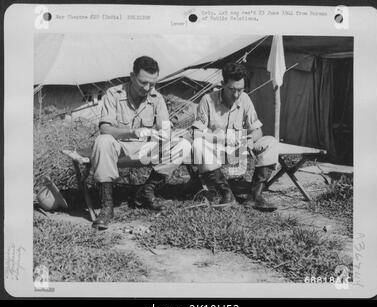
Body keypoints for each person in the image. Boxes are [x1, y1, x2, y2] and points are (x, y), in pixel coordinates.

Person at [91, 56, 191, 230]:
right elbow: (105, 129)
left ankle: (146, 191)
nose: (147, 88)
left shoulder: (156, 98)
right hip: (119, 149)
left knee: (183, 144)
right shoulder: (114, 94)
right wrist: (132, 132)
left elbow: (165, 128)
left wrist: (168, 133)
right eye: (143, 82)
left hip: (144, 149)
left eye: (152, 84)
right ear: (132, 76)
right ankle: (107, 205)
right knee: (102, 141)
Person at [191, 62, 278, 211]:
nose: (236, 95)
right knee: (199, 145)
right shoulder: (208, 100)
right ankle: (227, 195)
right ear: (222, 84)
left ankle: (255, 197)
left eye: (240, 89)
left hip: (238, 147)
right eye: (232, 90)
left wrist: (250, 139)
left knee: (271, 142)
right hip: (215, 150)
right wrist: (220, 139)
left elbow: (257, 130)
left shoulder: (244, 99)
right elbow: (197, 133)